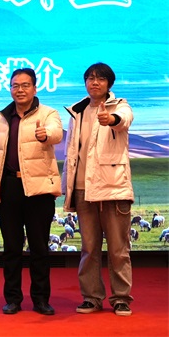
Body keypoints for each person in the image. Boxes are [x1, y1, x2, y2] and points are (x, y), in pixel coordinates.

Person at [0, 68, 62, 316]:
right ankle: (13, 299)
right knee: (11, 247)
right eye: (15, 85)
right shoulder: (0, 118)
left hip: (38, 189)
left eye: (25, 85)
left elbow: (57, 133)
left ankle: (41, 299)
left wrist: (45, 134)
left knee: (39, 247)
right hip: (8, 187)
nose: (20, 90)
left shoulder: (48, 113)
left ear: (35, 88)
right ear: (10, 88)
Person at [62, 63, 134, 316]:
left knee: (118, 249)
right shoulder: (77, 111)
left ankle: (121, 298)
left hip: (113, 188)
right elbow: (72, 152)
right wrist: (67, 187)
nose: (95, 82)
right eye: (90, 78)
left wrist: (111, 119)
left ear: (109, 84)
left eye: (101, 79)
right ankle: (91, 297)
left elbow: (123, 121)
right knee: (89, 248)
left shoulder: (120, 106)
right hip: (83, 189)